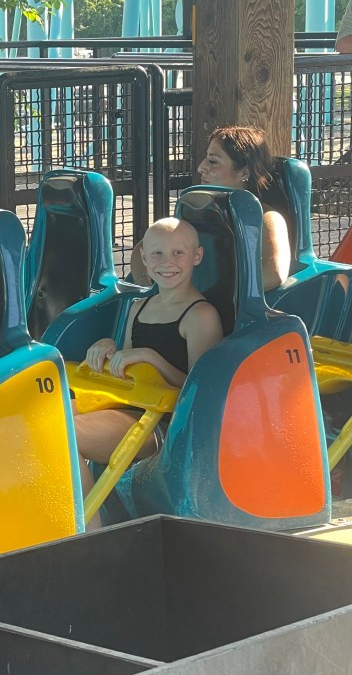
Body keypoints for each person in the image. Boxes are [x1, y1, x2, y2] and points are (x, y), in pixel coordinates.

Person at [76, 218, 223, 515]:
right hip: (129, 409)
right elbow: (128, 370)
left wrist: (152, 359)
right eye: (157, 253)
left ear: (197, 256)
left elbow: (200, 393)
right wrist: (108, 348)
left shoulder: (201, 315)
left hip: (161, 425)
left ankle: (90, 530)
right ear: (143, 257)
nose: (167, 262)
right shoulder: (138, 307)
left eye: (178, 253)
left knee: (65, 435)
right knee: (43, 420)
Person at [131, 126, 292, 292]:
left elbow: (274, 273)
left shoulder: (266, 217)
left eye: (213, 161)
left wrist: (206, 296)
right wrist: (150, 288)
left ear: (244, 172)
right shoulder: (196, 209)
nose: (201, 167)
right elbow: (142, 251)